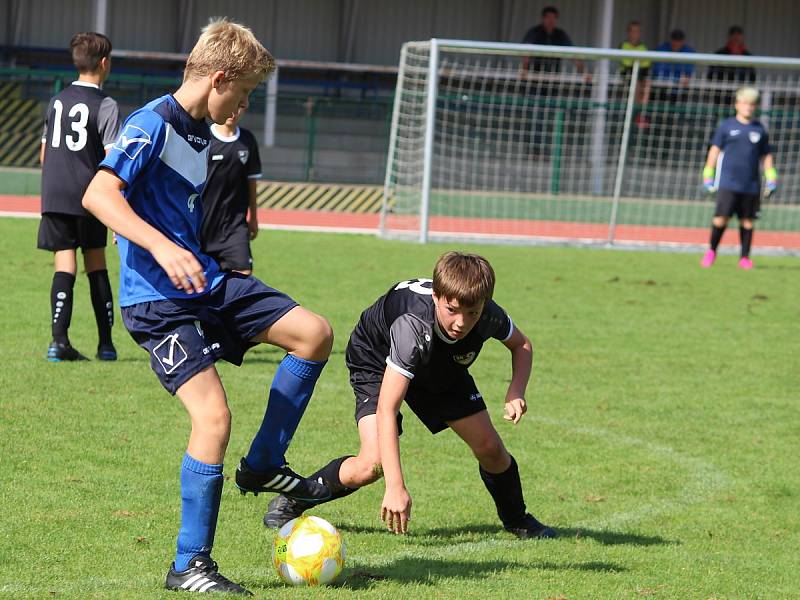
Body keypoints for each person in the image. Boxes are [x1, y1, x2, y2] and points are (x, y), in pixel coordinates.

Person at [82, 19, 333, 595]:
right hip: (157, 303)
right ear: (219, 77)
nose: (244, 106)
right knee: (213, 418)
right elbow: (98, 194)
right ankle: (189, 565)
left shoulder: (200, 129)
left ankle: (265, 463)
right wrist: (159, 245)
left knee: (313, 333)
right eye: (243, 94)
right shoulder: (151, 124)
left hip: (206, 282)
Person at [263, 252, 557, 541]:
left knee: (490, 447)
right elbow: (387, 411)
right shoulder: (412, 325)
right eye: (451, 309)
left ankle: (517, 519)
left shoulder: (488, 314)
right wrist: (395, 486)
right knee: (372, 465)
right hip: (377, 359)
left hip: (439, 363)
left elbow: (522, 345)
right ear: (436, 297)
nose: (461, 322)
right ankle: (295, 498)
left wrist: (516, 390)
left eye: (472, 313)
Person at [38, 32, 120, 361]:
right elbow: (114, 161)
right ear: (104, 63)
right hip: (88, 196)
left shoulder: (58, 100)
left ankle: (59, 341)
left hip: (54, 193)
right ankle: (106, 345)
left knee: (65, 263)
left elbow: (44, 153)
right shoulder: (107, 104)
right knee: (96, 262)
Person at [700, 86, 776, 270]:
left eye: (752, 104)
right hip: (728, 182)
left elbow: (766, 156)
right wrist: (708, 175)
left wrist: (771, 177)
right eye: (745, 103)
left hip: (750, 184)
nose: (748, 107)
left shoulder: (760, 129)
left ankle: (744, 258)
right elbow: (714, 151)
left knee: (747, 221)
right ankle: (711, 252)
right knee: (721, 218)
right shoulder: (726, 126)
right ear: (737, 105)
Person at [201, 106, 261, 275]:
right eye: (231, 107)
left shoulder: (248, 140)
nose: (234, 112)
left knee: (244, 274)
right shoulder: (204, 137)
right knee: (201, 285)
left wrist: (254, 218)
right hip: (203, 226)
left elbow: (252, 182)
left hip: (235, 227)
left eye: (239, 107)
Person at [520, 5, 587, 76]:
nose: (551, 21)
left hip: (554, 75)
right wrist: (524, 70)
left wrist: (584, 73)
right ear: (543, 18)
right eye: (548, 17)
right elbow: (526, 52)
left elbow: (572, 53)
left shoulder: (560, 34)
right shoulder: (534, 32)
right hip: (535, 74)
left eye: (554, 18)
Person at [619, 20, 652, 128]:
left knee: (647, 84)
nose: (635, 34)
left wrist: (636, 62)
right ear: (628, 32)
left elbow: (647, 63)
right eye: (633, 31)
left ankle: (642, 113)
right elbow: (626, 63)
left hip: (641, 72)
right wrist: (638, 62)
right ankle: (637, 114)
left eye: (637, 31)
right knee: (636, 83)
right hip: (627, 73)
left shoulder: (643, 47)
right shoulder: (624, 45)